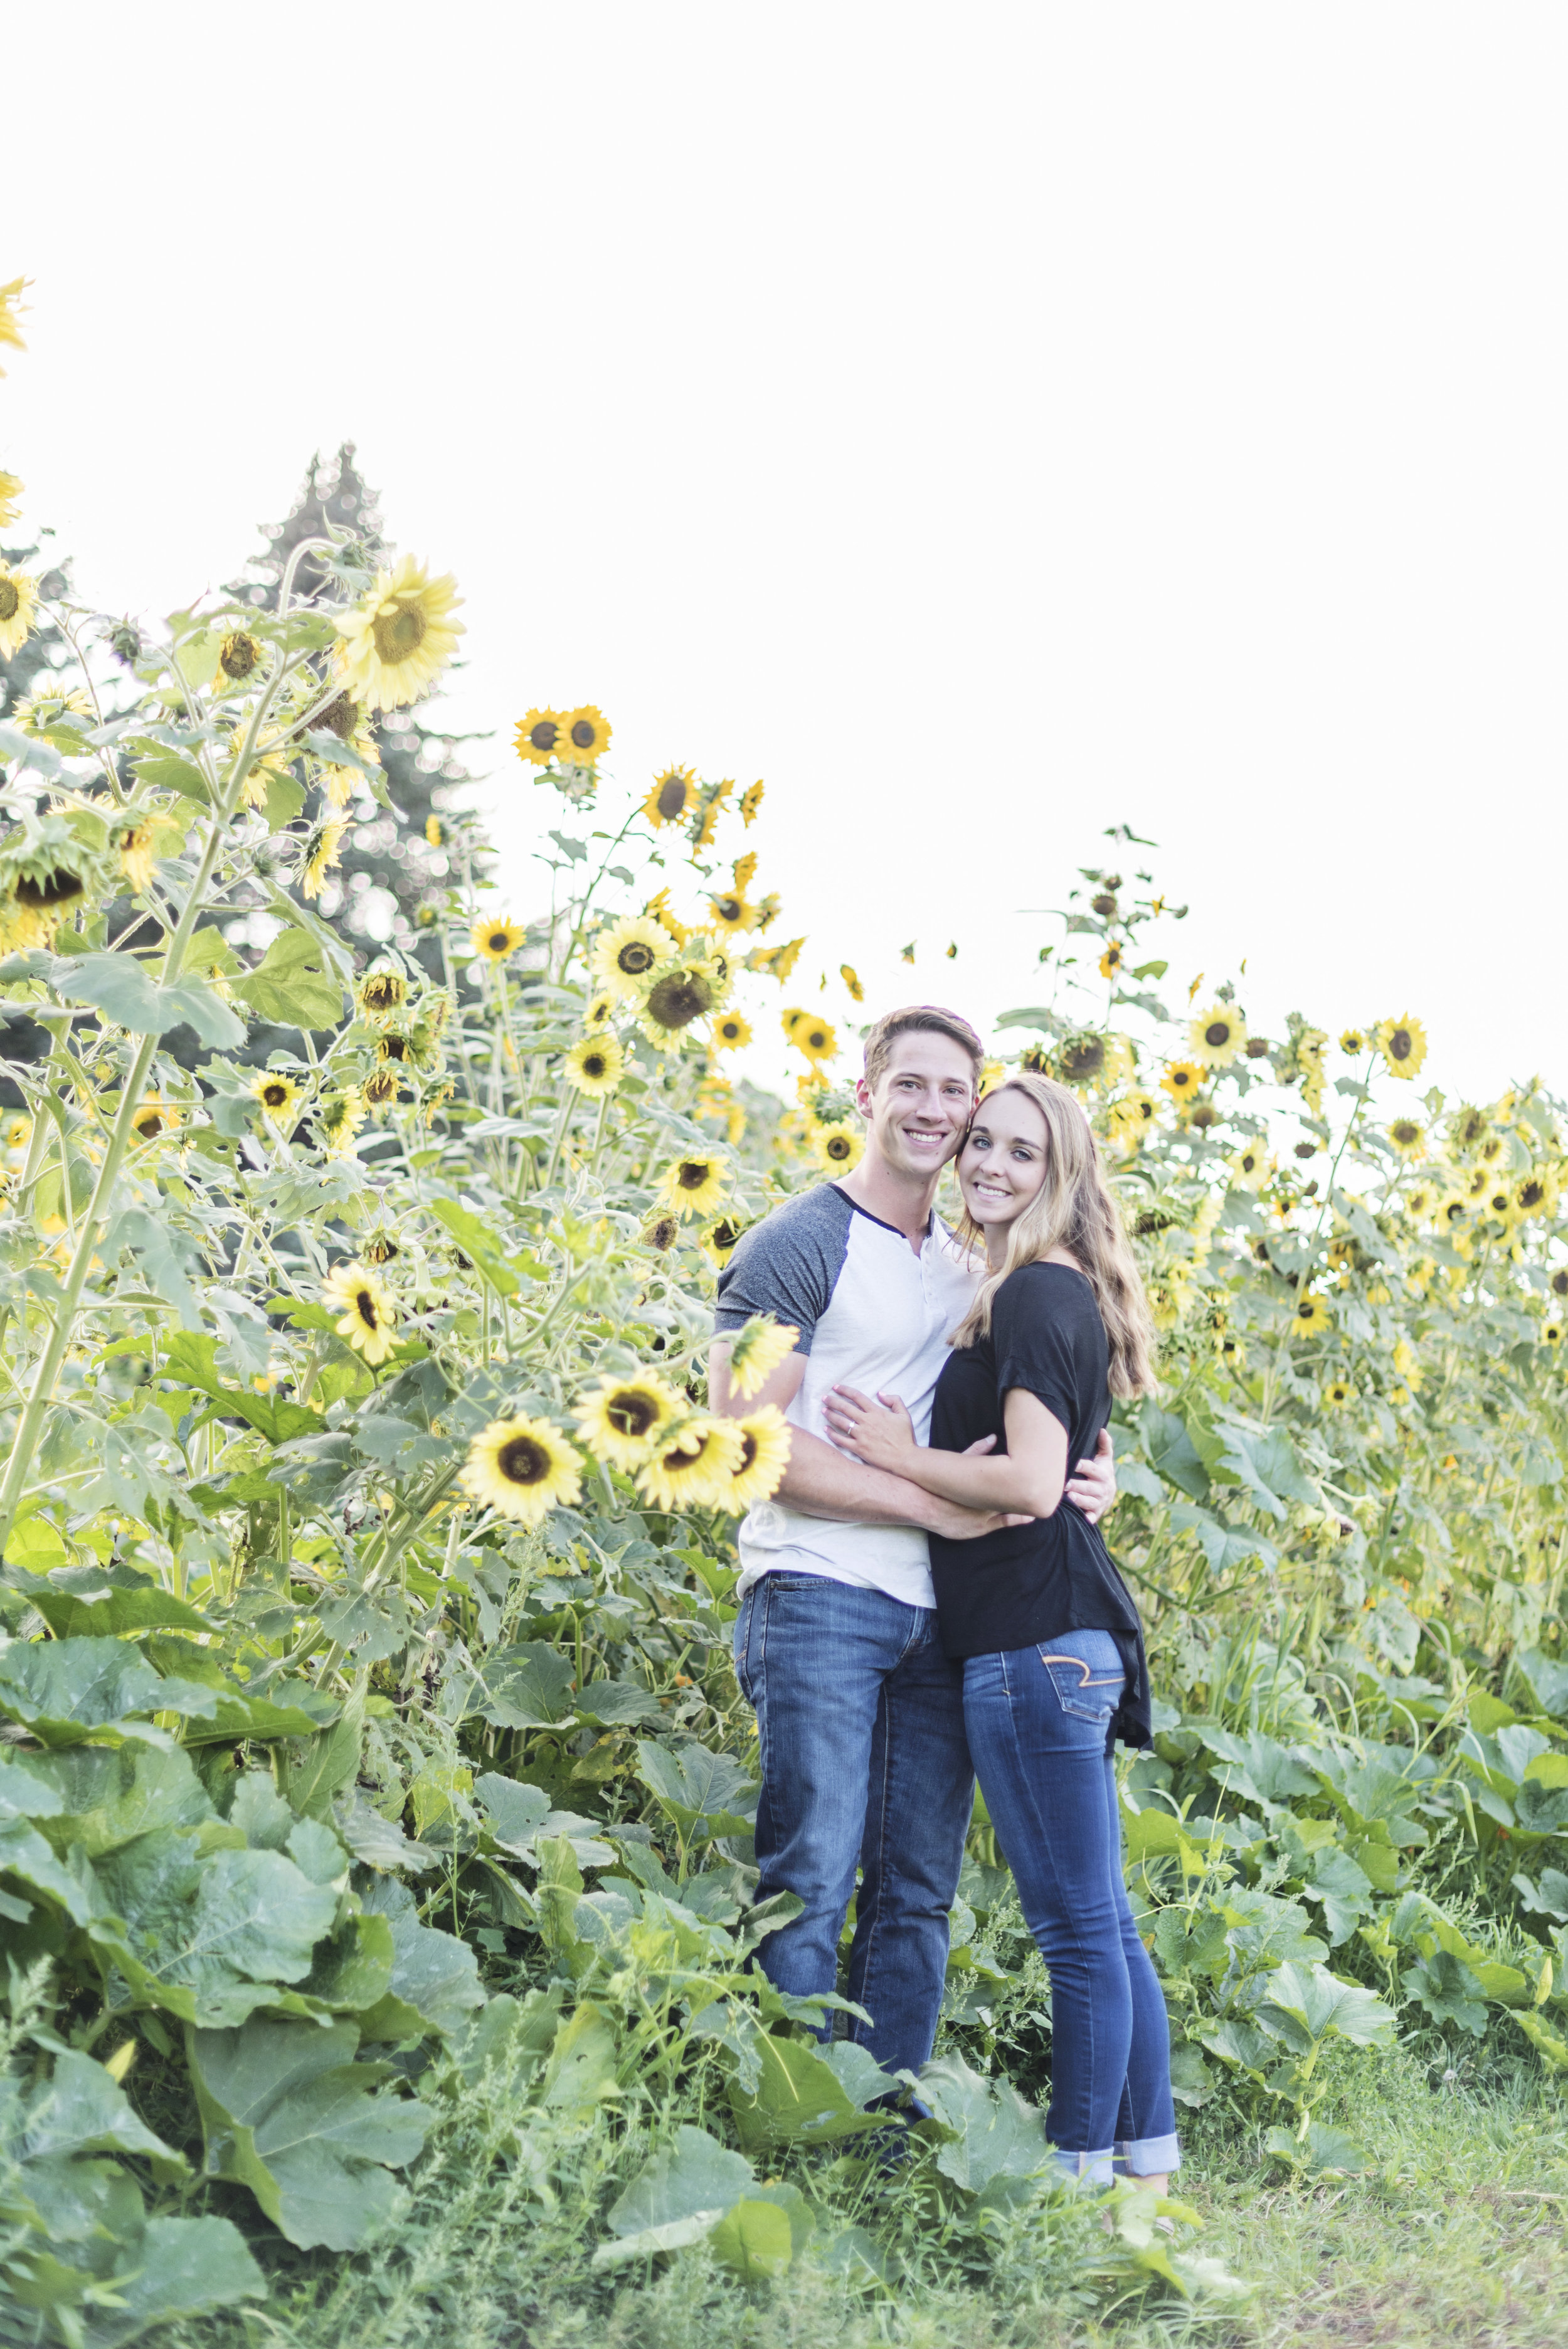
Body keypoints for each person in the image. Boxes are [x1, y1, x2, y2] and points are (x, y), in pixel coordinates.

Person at [710, 1006, 1117, 2087]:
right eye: (913, 1086)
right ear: (865, 1096)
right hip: (818, 1591)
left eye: (957, 1094)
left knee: (916, 1891)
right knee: (809, 1870)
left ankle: (879, 2122)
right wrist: (930, 1510)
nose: (937, 1112)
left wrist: (1089, 1472)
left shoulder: (968, 1262)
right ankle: (788, 2117)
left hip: (941, 1617)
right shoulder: (796, 1244)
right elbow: (740, 1443)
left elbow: (1037, 1403)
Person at [822, 1072, 1177, 2193]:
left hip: (1030, 1645)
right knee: (1105, 1925)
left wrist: (895, 1454)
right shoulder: (1043, 1292)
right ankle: (1146, 2174)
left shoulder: (1032, 1296)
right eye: (982, 1142)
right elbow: (1058, 1467)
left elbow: (1027, 1481)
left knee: (1079, 1934)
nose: (989, 1165)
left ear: (1061, 1175)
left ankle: (1079, 2183)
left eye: (1022, 1152)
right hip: (1061, 1637)